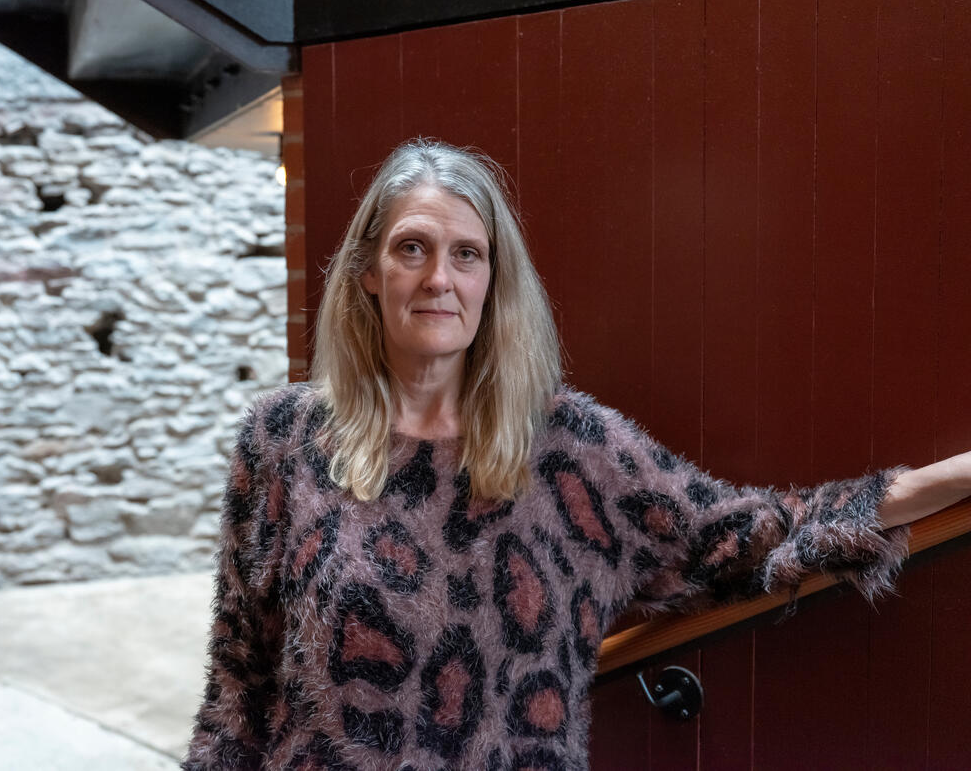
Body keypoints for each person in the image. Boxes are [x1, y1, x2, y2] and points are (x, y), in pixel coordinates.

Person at [184, 139, 970, 770]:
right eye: (412, 249)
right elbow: (237, 686)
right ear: (365, 272)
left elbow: (743, 533)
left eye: (467, 254)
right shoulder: (284, 438)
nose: (439, 278)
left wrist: (952, 477)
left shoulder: (568, 446)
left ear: (494, 279)